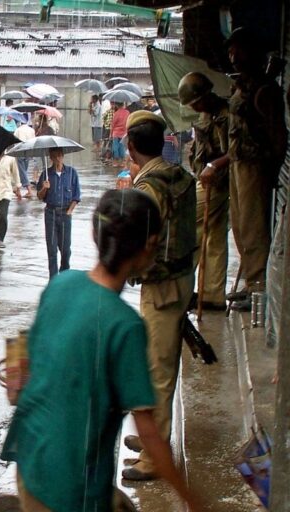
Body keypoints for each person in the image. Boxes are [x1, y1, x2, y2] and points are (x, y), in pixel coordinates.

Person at [1, 189, 203, 512]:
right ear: (150, 246)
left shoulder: (61, 284)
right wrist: (194, 501)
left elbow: (26, 365)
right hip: (71, 490)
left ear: (95, 234)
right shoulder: (126, 326)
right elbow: (149, 433)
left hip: (30, 461)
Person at [122, 110, 197, 481]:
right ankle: (154, 438)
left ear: (130, 145)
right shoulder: (179, 175)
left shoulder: (148, 187)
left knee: (158, 370)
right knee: (160, 364)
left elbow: (142, 241)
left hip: (163, 287)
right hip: (181, 279)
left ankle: (155, 456)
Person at [224, 27, 287, 310]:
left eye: (238, 49)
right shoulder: (245, 85)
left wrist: (271, 170)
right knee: (239, 226)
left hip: (254, 165)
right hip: (239, 163)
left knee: (254, 228)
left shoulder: (264, 90)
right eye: (231, 50)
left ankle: (259, 288)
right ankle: (251, 282)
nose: (233, 56)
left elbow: (277, 136)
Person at [178, 72, 230, 310]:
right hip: (208, 179)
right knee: (215, 237)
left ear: (204, 96)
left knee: (189, 228)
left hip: (217, 181)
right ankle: (211, 295)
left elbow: (237, 149)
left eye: (194, 102)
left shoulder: (226, 116)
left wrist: (213, 165)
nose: (194, 107)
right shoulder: (206, 114)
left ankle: (184, 290)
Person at [35, 148, 81, 279]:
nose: (58, 159)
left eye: (59, 156)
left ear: (63, 156)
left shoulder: (72, 173)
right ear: (51, 158)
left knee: (65, 249)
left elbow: (76, 196)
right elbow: (39, 196)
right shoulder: (46, 174)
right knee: (52, 250)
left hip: (65, 213)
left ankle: (64, 274)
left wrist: (70, 211)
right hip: (51, 213)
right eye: (54, 157)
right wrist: (44, 188)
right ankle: (53, 279)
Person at [14, 121, 36, 198]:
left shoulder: (18, 130)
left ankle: (29, 190)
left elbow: (15, 141)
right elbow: (34, 141)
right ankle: (17, 189)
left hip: (20, 151)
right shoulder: (31, 130)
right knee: (23, 170)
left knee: (22, 171)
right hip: (29, 151)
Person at [110, 102, 130, 167]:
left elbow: (113, 125)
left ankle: (116, 162)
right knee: (122, 147)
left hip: (116, 133)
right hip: (124, 133)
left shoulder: (116, 113)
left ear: (117, 105)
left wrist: (110, 134)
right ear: (123, 105)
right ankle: (122, 163)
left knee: (115, 148)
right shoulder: (127, 112)